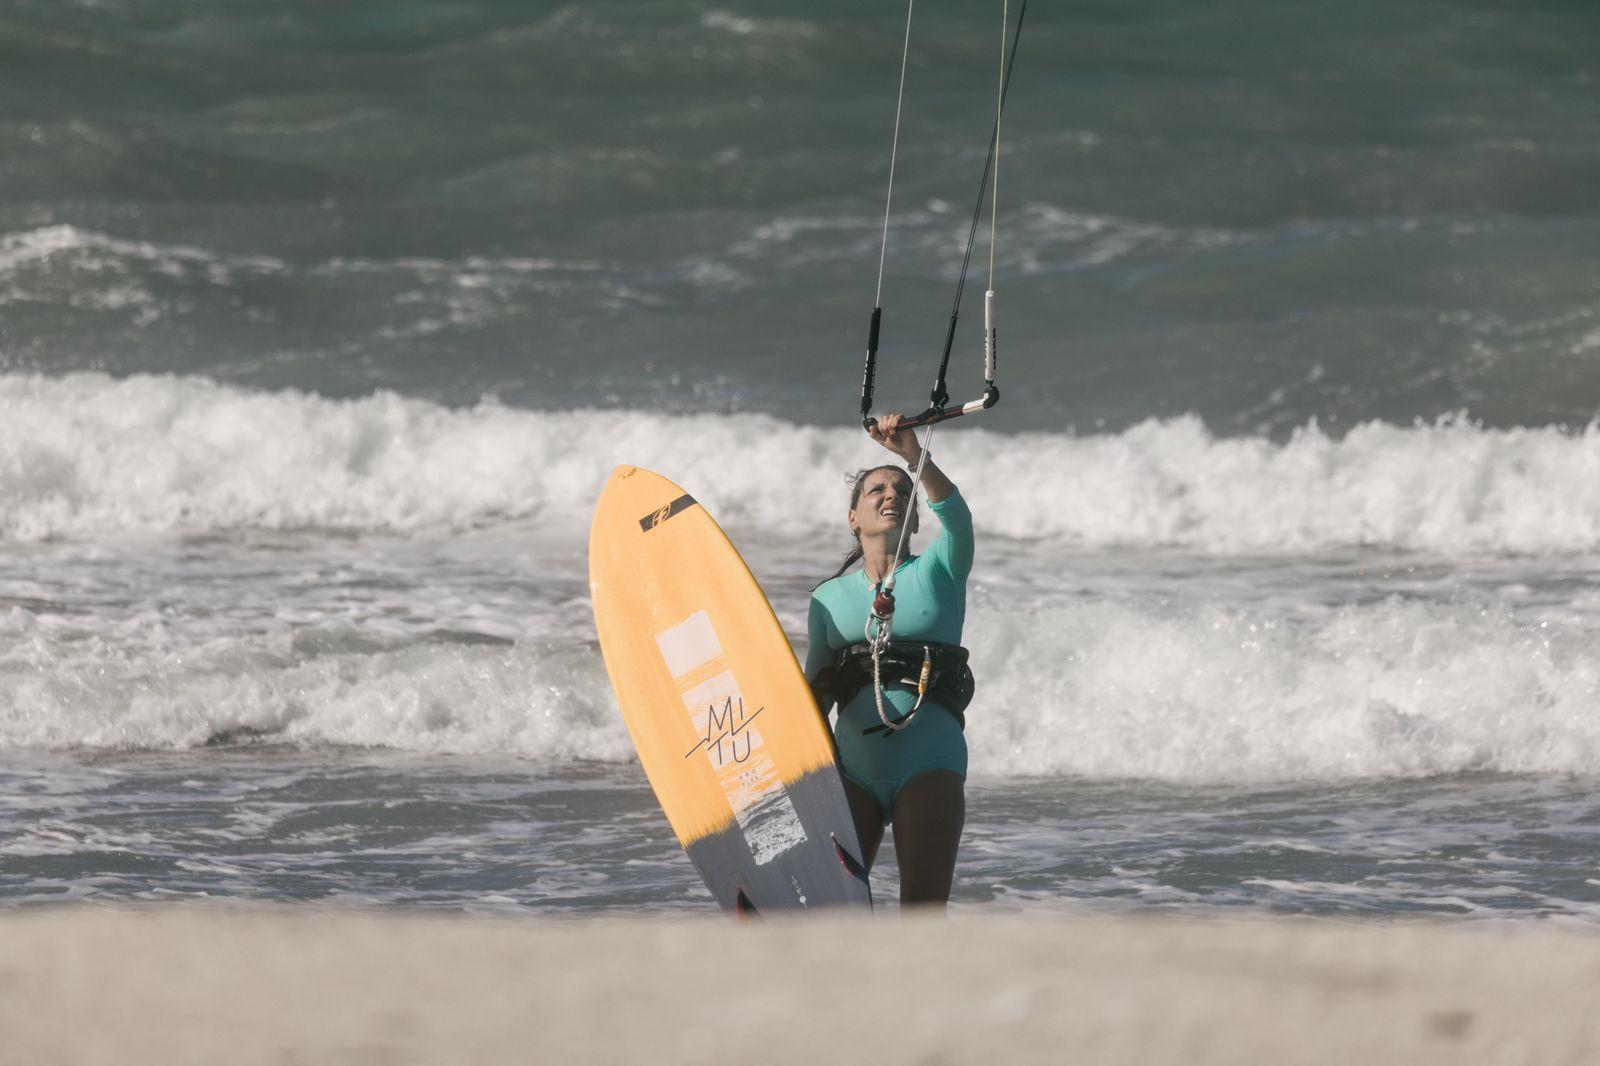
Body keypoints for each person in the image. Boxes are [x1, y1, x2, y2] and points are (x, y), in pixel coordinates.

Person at [804, 412, 974, 907]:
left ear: (916, 519)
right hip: (850, 773)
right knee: (831, 914)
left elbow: (958, 517)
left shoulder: (940, 571)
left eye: (903, 492)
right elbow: (814, 695)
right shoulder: (828, 599)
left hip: (929, 763)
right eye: (876, 489)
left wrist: (913, 456)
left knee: (921, 912)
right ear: (853, 518)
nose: (892, 495)